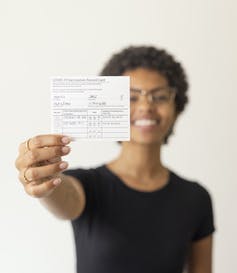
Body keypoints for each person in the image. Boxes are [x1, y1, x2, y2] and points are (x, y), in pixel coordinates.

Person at [15, 46, 215, 273]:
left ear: (176, 107)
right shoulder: (87, 184)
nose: (146, 106)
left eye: (159, 96)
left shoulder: (195, 198)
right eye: (131, 97)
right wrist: (45, 181)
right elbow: (63, 195)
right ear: (109, 107)